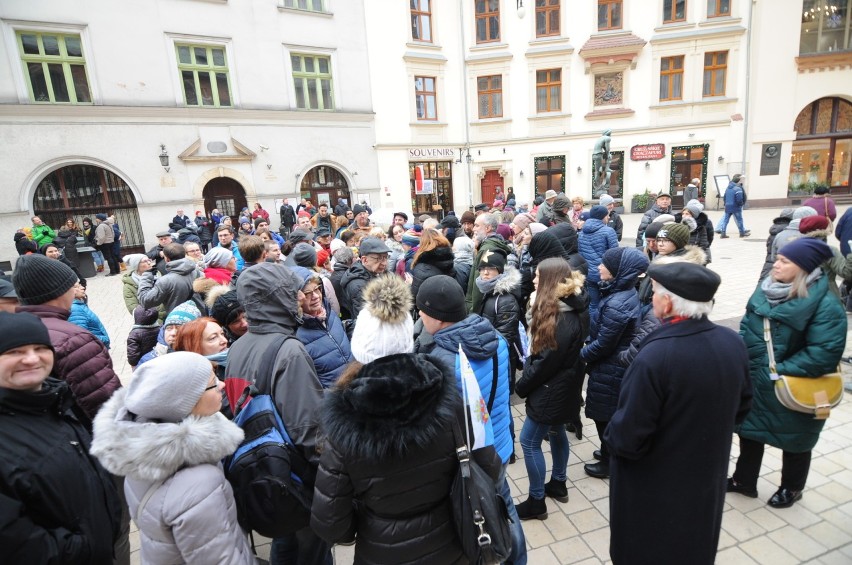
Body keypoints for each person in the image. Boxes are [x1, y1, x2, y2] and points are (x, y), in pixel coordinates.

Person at [312, 275, 501, 565]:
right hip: (451, 542)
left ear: (360, 345)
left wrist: (368, 520)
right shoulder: (447, 397)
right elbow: (487, 464)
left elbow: (331, 522)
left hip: (382, 550)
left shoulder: (343, 424)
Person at [607, 261, 752, 564]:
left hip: (655, 490)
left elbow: (628, 437)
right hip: (704, 482)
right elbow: (742, 408)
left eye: (656, 292)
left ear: (668, 302)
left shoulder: (655, 356)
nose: (651, 298)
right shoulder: (732, 342)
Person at [90, 352, 254, 564]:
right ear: (186, 402)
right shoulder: (198, 484)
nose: (222, 385)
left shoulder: (142, 454)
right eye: (213, 383)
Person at [415, 274, 528, 563]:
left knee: (480, 518)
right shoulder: (496, 340)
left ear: (438, 317)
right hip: (498, 447)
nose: (419, 316)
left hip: (468, 461)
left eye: (422, 311)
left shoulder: (439, 359)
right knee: (504, 506)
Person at [728, 238, 845, 508]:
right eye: (777, 258)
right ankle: (744, 481)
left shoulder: (826, 306)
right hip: (756, 377)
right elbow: (747, 326)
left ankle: (792, 487)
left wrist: (778, 371)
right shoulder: (764, 290)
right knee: (749, 431)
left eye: (784, 261)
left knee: (795, 439)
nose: (776, 264)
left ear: (804, 267)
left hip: (791, 384)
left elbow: (823, 354)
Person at [226, 262, 330, 565]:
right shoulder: (290, 351)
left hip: (268, 473)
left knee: (285, 542)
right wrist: (332, 480)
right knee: (314, 551)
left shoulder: (237, 346)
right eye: (291, 291)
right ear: (276, 299)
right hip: (299, 477)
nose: (300, 296)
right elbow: (309, 431)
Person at [0, 312, 121, 564]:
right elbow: (15, 541)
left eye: (40, 348)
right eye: (14, 352)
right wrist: (83, 548)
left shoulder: (55, 401)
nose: (31, 359)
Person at [515, 257, 589, 520]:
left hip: (550, 388)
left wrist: (522, 385)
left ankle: (537, 501)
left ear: (549, 281)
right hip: (565, 384)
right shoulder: (573, 304)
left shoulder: (560, 317)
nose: (533, 280)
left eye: (537, 276)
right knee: (557, 431)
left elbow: (545, 362)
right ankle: (558, 483)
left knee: (529, 441)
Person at [12, 254, 120, 420]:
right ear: (60, 291)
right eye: (73, 285)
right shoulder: (73, 340)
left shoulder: (11, 331)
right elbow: (106, 405)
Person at [580, 247, 648, 479]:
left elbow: (604, 344)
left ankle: (610, 462)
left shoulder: (617, 303)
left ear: (619, 271)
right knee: (606, 413)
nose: (599, 267)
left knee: (604, 415)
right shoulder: (621, 292)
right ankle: (608, 450)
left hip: (611, 368)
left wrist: (581, 355)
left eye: (604, 265)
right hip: (611, 365)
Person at [292, 267, 352, 388]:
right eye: (307, 293)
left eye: (317, 289)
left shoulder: (328, 312)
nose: (315, 296)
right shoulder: (296, 335)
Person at [578, 205, 619, 329]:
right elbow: (615, 254)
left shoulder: (582, 232)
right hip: (605, 274)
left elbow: (581, 252)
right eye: (607, 215)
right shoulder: (608, 231)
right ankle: (605, 328)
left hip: (589, 274)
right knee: (609, 303)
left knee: (593, 304)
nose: (608, 217)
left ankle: (592, 331)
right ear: (603, 216)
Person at [467, 212, 514, 313]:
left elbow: (479, 285)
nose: (474, 229)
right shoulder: (490, 245)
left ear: (488, 228)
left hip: (483, 309)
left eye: (477, 225)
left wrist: (472, 311)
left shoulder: (487, 249)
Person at [137, 243, 198, 315]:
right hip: (200, 317)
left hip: (178, 320)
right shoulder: (198, 272)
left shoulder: (165, 281)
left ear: (166, 259)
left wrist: (147, 275)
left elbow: (146, 301)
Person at [340, 237, 391, 320]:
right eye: (379, 258)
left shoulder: (376, 272)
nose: (384, 263)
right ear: (365, 260)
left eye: (386, 257)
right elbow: (367, 321)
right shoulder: (358, 286)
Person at [69, 280, 110, 348]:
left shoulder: (79, 304)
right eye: (77, 286)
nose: (82, 287)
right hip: (96, 350)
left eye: (80, 285)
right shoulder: (75, 309)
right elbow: (82, 337)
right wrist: (104, 340)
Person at [717, 174, 750, 238]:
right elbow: (739, 199)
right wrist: (741, 204)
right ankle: (742, 233)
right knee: (739, 220)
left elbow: (725, 197)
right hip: (736, 207)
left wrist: (725, 204)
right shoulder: (738, 188)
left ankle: (723, 233)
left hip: (728, 206)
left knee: (726, 220)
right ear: (738, 181)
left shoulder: (728, 188)